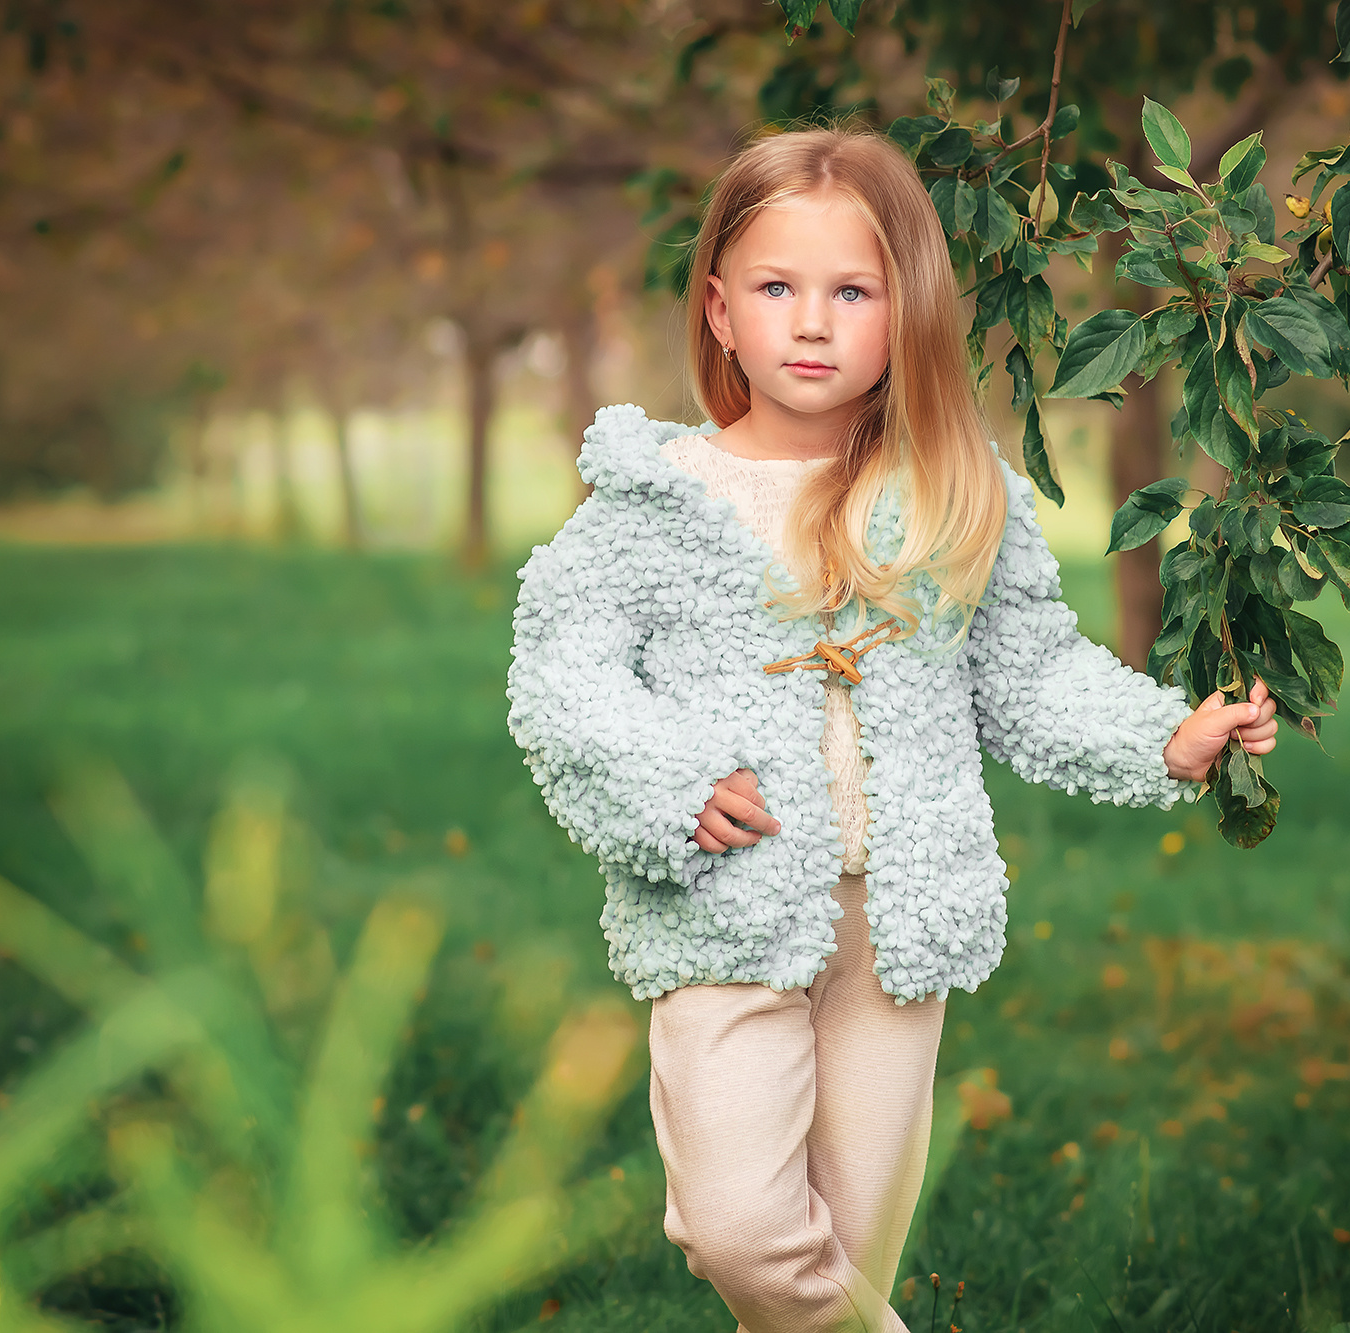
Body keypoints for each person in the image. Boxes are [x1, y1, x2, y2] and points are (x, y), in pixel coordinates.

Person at [506, 125, 1278, 1333]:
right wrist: (667, 784)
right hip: (727, 907)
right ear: (718, 309)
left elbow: (1027, 676)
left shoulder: (952, 496)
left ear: (904, 311)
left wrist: (1162, 740)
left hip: (897, 923)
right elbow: (563, 677)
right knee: (746, 1235)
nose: (810, 323)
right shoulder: (656, 499)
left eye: (849, 292)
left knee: (844, 1257)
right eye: (775, 288)